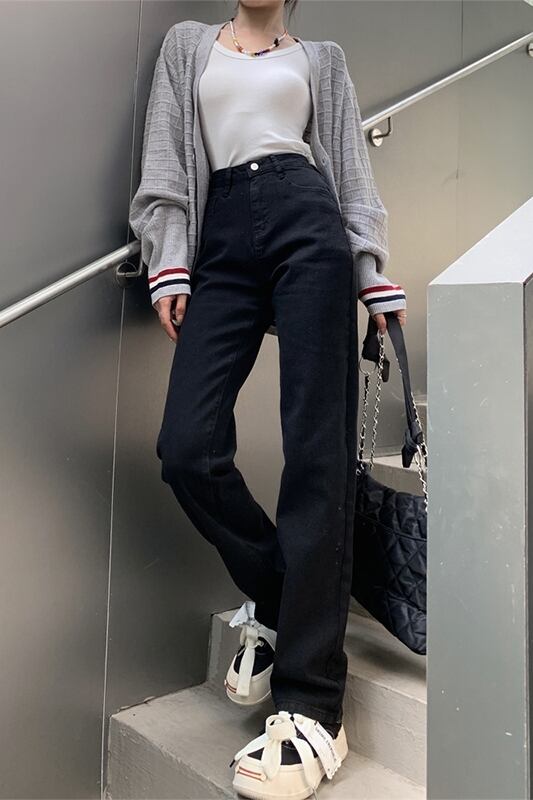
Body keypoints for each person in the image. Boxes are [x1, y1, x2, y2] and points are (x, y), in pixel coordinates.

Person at [129, 2, 407, 798]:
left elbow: (348, 169)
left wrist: (370, 271)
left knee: (316, 455)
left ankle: (312, 706)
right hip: (220, 238)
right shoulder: (188, 46)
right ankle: (288, 608)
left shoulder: (321, 58)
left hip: (307, 225)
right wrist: (168, 260)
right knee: (187, 449)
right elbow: (164, 163)